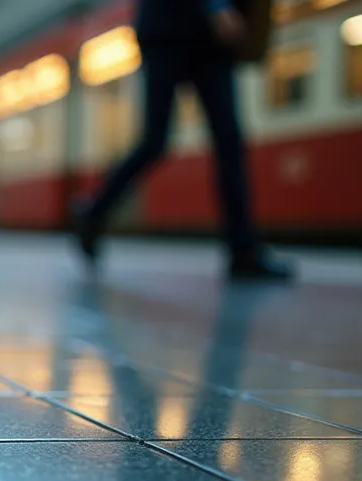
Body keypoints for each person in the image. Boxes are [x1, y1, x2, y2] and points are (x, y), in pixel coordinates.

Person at [75, 0, 293, 281]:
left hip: (208, 42)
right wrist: (216, 6)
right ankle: (94, 212)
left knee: (228, 142)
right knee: (156, 140)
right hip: (169, 30)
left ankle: (243, 251)